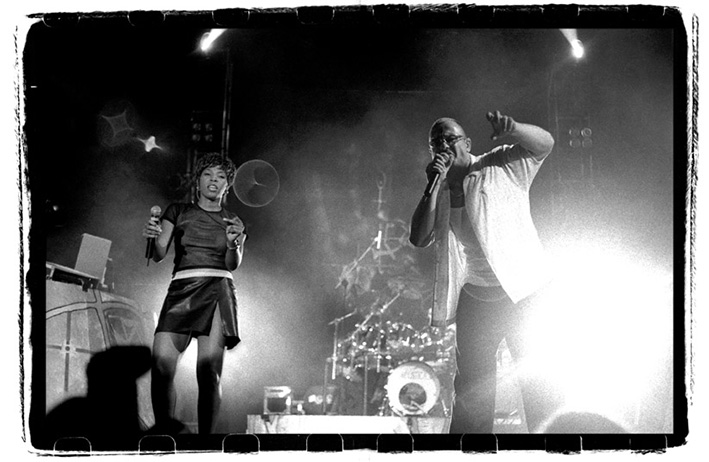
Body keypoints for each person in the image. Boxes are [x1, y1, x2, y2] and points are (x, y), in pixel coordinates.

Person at [409, 111, 558, 433]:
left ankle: (554, 445)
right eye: (436, 142)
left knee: (539, 383)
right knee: (472, 390)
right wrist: (431, 186)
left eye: (450, 138)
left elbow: (545, 144)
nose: (443, 145)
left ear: (467, 143)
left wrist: (514, 129)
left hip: (525, 292)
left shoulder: (498, 164)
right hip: (478, 294)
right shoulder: (439, 191)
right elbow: (419, 238)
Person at [142, 153, 246, 435]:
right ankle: (163, 436)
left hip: (218, 290)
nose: (214, 180)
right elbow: (158, 254)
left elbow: (232, 264)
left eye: (221, 176)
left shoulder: (233, 220)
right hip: (181, 290)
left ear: (227, 185)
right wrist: (151, 236)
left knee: (208, 372)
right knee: (161, 364)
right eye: (208, 174)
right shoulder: (177, 211)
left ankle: (205, 443)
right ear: (197, 181)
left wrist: (233, 243)